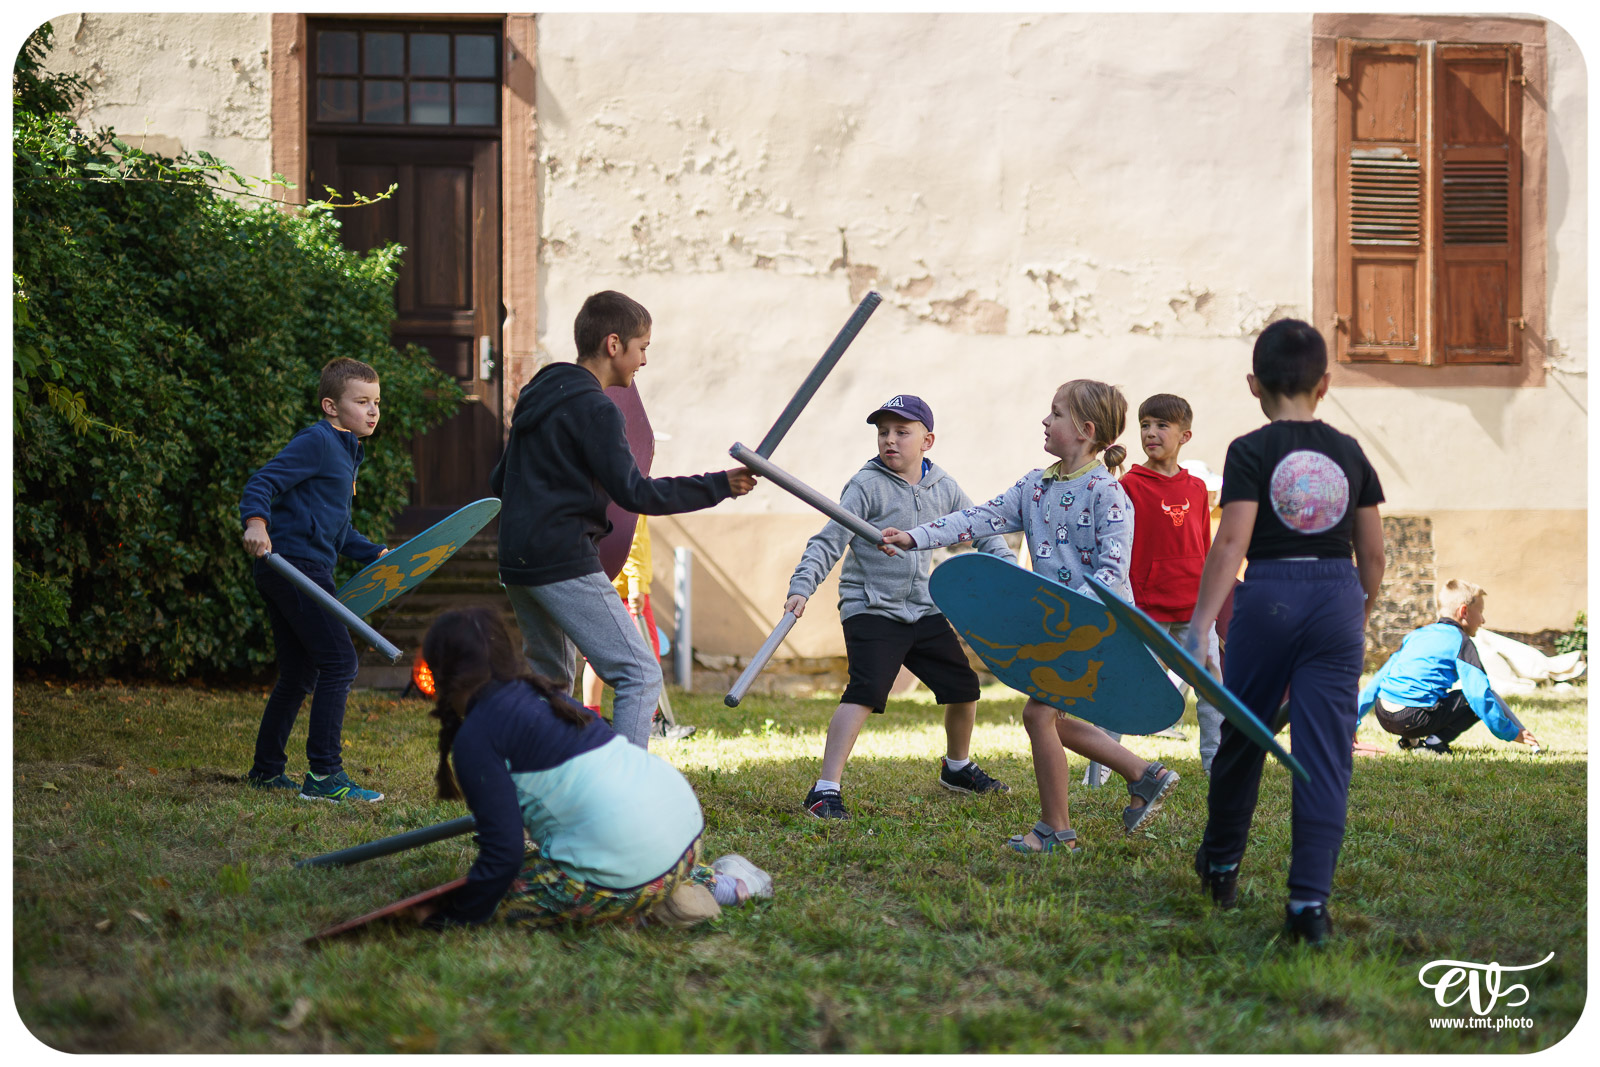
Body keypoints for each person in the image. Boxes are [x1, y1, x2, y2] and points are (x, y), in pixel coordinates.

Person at [881, 380, 1181, 852]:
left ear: (1084, 430)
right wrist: (914, 537)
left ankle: (1056, 831)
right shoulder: (1035, 486)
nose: (1045, 420)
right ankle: (1142, 775)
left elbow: (1112, 576)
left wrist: (1071, 619)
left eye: (1056, 413)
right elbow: (977, 518)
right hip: (1057, 631)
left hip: (1093, 630)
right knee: (1048, 717)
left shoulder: (1108, 493)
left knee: (1039, 713)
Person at [1182, 319, 1386, 945]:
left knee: (1244, 735)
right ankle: (1307, 906)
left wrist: (1198, 626)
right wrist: (1359, 610)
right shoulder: (1351, 452)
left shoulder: (1249, 450)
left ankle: (1220, 863)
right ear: (1325, 384)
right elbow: (1373, 552)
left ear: (1254, 384)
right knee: (1325, 754)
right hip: (1335, 595)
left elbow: (1233, 540)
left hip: (1267, 595)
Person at [492, 291, 757, 748]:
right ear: (614, 344)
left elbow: (501, 480)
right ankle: (626, 789)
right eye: (643, 347)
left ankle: (532, 778)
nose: (645, 361)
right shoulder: (597, 410)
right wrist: (719, 485)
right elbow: (636, 493)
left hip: (517, 560)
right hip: (561, 558)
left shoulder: (537, 393)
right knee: (637, 672)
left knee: (551, 677)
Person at [413, 608, 771, 929]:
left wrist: (459, 915)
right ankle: (720, 884)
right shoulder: (543, 694)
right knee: (602, 848)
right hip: (685, 838)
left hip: (634, 870)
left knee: (508, 892)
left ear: (442, 677)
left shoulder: (476, 737)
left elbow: (503, 853)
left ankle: (641, 904)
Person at [786, 395, 1017, 819]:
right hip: (870, 607)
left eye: (901, 432)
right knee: (866, 691)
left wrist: (1009, 571)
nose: (889, 440)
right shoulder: (865, 485)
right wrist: (803, 585)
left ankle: (957, 768)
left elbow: (980, 525)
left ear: (927, 440)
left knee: (964, 687)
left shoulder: (943, 486)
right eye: (882, 432)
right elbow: (829, 541)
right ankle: (824, 790)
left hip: (923, 609)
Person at [238, 357, 389, 803]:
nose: (373, 411)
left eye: (377, 402)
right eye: (361, 402)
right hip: (294, 568)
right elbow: (262, 481)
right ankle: (325, 776)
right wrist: (256, 523)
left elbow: (337, 530)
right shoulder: (319, 441)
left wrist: (376, 553)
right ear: (330, 405)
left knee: (300, 671)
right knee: (339, 662)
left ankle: (266, 770)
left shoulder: (346, 452)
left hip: (302, 566)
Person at [1119, 393, 1224, 774]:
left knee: (1212, 689)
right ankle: (1096, 772)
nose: (1151, 433)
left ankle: (1217, 764)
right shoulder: (1129, 485)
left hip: (1194, 609)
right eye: (1145, 425)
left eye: (1162, 425)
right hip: (1146, 607)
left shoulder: (1197, 489)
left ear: (1185, 436)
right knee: (1128, 688)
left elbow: (1203, 547)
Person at [1358, 579, 1542, 755]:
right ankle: (1434, 743)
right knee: (1469, 700)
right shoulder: (1461, 641)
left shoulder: (1417, 635)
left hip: (1384, 713)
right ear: (1464, 612)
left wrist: (1353, 720)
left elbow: (1377, 681)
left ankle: (1409, 741)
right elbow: (1479, 695)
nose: (1483, 620)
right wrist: (1510, 732)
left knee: (1434, 695)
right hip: (1413, 718)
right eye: (1481, 611)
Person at [580, 516, 694, 740]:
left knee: (596, 652)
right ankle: (649, 721)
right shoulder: (629, 488)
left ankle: (591, 717)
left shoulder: (601, 490)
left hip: (601, 582)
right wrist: (636, 586)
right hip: (625, 589)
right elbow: (632, 541)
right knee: (648, 652)